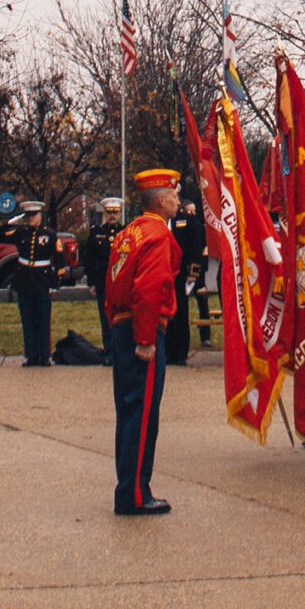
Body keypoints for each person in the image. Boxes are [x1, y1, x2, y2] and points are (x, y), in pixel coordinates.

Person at [105, 169, 181, 516]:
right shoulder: (157, 235)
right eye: (174, 196)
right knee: (143, 412)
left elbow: (112, 283)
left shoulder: (128, 232)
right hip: (142, 330)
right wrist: (146, 338)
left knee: (128, 411)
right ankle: (135, 494)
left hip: (122, 326)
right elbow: (150, 288)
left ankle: (129, 488)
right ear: (162, 200)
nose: (178, 201)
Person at [164, 197, 207, 366]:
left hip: (181, 273)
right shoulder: (160, 221)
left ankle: (180, 351)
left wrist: (193, 272)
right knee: (165, 313)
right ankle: (167, 351)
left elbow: (196, 247)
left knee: (180, 312)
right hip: (163, 273)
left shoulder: (187, 221)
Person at [14, 207, 57, 366]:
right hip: (25, 280)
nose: (31, 219)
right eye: (29, 216)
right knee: (28, 320)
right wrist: (11, 222)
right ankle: (31, 355)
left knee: (43, 319)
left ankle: (44, 355)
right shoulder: (21, 233)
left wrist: (55, 283)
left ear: (40, 216)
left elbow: (58, 258)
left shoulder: (49, 234)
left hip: (42, 280)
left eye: (34, 215)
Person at [81, 198, 119, 337]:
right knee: (105, 318)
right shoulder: (96, 233)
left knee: (120, 319)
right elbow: (90, 258)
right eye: (109, 212)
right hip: (102, 280)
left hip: (120, 280)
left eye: (115, 212)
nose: (112, 215)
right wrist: (91, 282)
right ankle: (108, 347)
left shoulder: (125, 231)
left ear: (120, 213)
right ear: (105, 213)